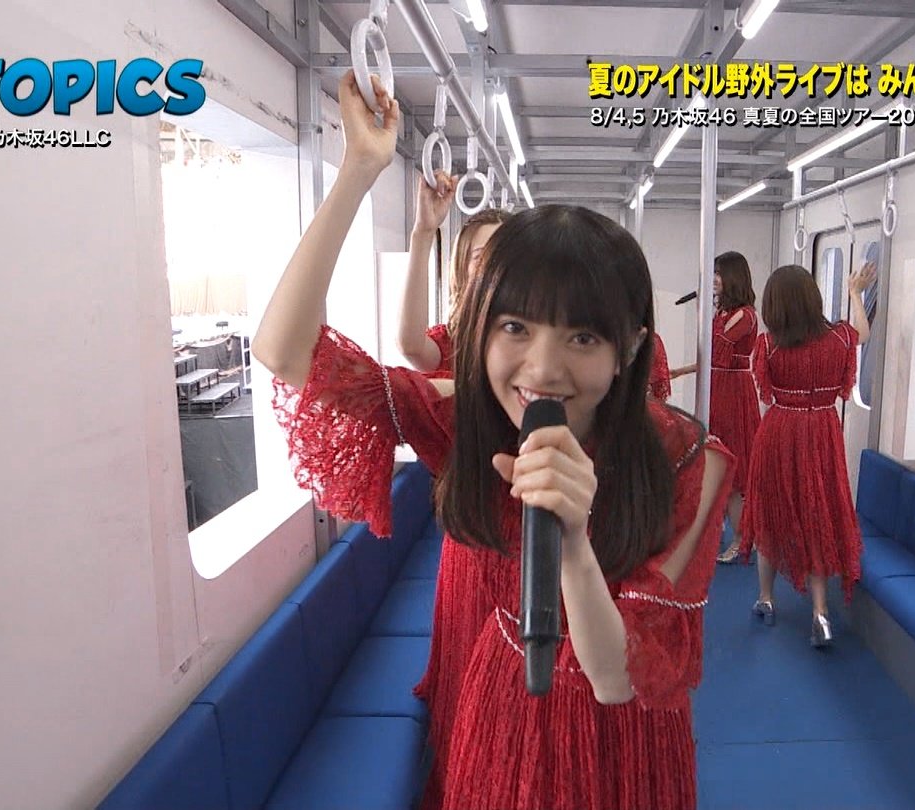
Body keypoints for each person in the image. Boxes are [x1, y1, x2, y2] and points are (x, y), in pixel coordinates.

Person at [254, 72, 733, 810]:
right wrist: (357, 170)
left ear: (632, 347)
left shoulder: (686, 459)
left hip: (626, 740)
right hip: (503, 704)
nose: (542, 368)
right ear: (480, 330)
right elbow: (286, 351)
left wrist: (572, 542)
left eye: (581, 336)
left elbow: (617, 678)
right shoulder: (469, 419)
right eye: (515, 327)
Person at [739, 263, 874, 646]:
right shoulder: (840, 338)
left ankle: (766, 598)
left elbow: (765, 391)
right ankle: (820, 612)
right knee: (817, 514)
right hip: (823, 432)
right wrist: (855, 292)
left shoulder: (769, 345)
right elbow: (863, 332)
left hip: (780, 430)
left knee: (770, 514)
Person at [669, 251, 762, 564]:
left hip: (733, 395)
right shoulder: (724, 313)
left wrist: (702, 311)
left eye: (719, 274)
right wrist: (681, 371)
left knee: (731, 470)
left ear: (733, 277)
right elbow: (711, 358)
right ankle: (717, 530)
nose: (714, 280)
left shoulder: (745, 316)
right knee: (711, 463)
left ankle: (742, 539)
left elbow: (718, 351)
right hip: (718, 388)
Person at [397, 175, 509, 378]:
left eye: (505, 255)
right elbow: (411, 346)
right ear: (462, 268)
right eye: (481, 257)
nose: (496, 266)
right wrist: (423, 232)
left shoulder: (537, 332)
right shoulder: (454, 343)